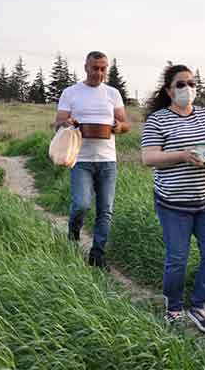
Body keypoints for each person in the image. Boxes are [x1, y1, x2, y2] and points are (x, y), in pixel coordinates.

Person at [140, 64, 205, 333]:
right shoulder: (157, 120)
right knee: (177, 259)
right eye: (180, 84)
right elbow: (149, 158)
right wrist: (182, 155)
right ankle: (174, 308)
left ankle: (200, 305)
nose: (187, 88)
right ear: (168, 90)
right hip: (173, 204)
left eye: (191, 83)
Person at [55, 51, 130, 269]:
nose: (99, 72)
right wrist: (68, 122)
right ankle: (73, 235)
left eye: (103, 68)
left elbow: (125, 124)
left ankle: (97, 255)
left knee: (105, 210)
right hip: (80, 159)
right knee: (81, 205)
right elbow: (58, 123)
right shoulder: (70, 93)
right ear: (86, 68)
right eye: (95, 68)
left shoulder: (113, 93)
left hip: (108, 160)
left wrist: (118, 127)